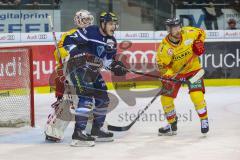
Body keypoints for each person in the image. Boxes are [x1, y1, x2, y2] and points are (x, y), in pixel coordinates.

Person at [55, 11, 126, 147]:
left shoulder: (112, 41)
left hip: (92, 71)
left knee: (103, 98)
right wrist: (81, 53)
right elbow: (67, 41)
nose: (114, 27)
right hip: (77, 66)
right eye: (111, 24)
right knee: (86, 97)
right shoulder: (89, 31)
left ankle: (96, 129)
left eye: (115, 24)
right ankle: (79, 133)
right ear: (103, 23)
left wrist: (115, 66)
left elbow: (107, 61)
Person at [45, 9, 95, 142]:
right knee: (71, 102)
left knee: (88, 101)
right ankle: (53, 131)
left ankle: (91, 130)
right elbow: (60, 53)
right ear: (78, 20)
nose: (88, 22)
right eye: (85, 20)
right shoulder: (70, 35)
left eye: (89, 20)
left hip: (86, 74)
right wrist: (64, 56)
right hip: (71, 72)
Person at [156, 18, 209, 136]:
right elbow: (162, 66)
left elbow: (202, 33)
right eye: (172, 27)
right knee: (166, 98)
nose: (176, 29)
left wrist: (199, 43)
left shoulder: (189, 32)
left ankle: (204, 119)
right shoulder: (164, 48)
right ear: (168, 29)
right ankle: (172, 124)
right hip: (176, 73)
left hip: (193, 70)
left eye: (177, 26)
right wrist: (169, 74)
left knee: (196, 95)